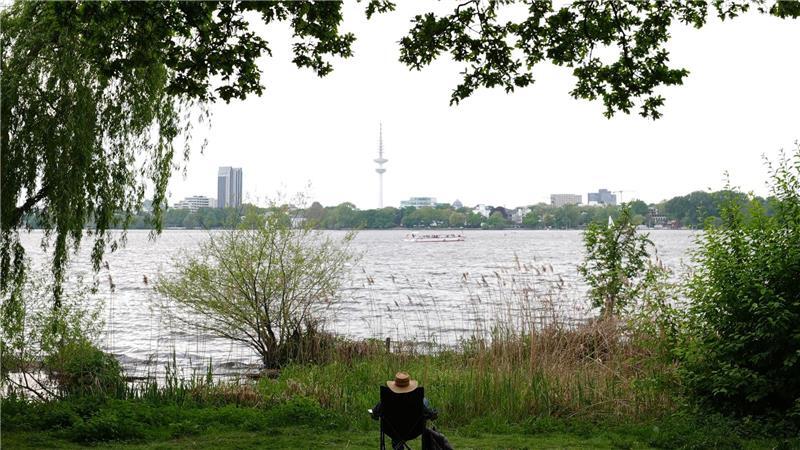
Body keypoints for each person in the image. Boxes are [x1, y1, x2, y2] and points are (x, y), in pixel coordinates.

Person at [372, 372, 448, 449]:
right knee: (424, 401)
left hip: (391, 430)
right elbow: (430, 415)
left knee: (395, 427)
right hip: (414, 431)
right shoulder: (417, 399)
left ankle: (397, 446)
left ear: (395, 384)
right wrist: (432, 413)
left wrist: (375, 414)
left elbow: (375, 413)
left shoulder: (386, 398)